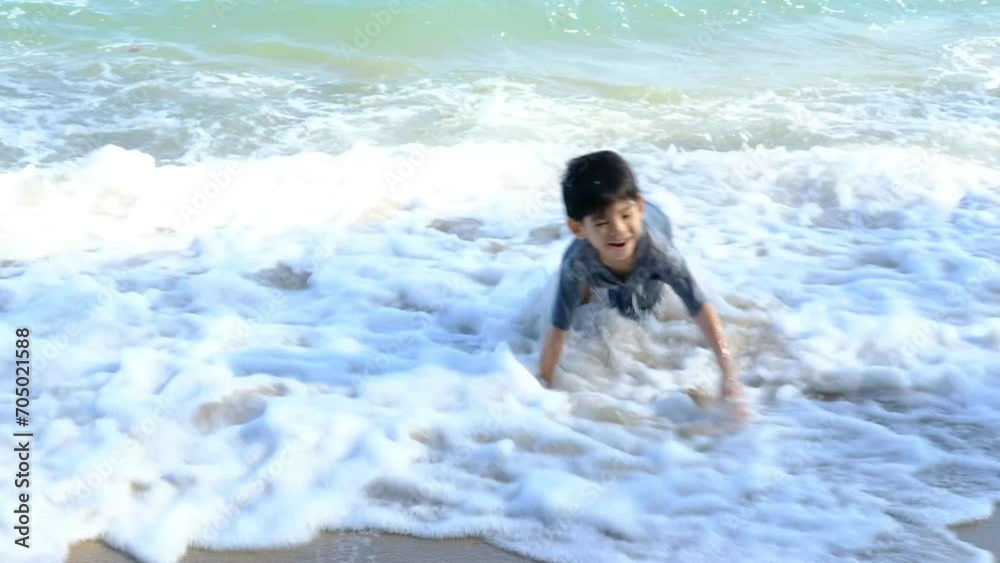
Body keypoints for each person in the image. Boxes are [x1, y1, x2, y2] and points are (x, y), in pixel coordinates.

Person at [538, 150, 749, 419]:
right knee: (582, 302)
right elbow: (558, 329)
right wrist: (542, 387)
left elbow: (700, 308)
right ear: (578, 229)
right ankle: (593, 284)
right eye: (602, 222)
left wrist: (729, 375)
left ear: (639, 207)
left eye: (625, 216)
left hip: (656, 234)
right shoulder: (576, 262)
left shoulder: (660, 255)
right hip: (594, 256)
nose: (617, 229)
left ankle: (621, 265)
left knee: (635, 309)